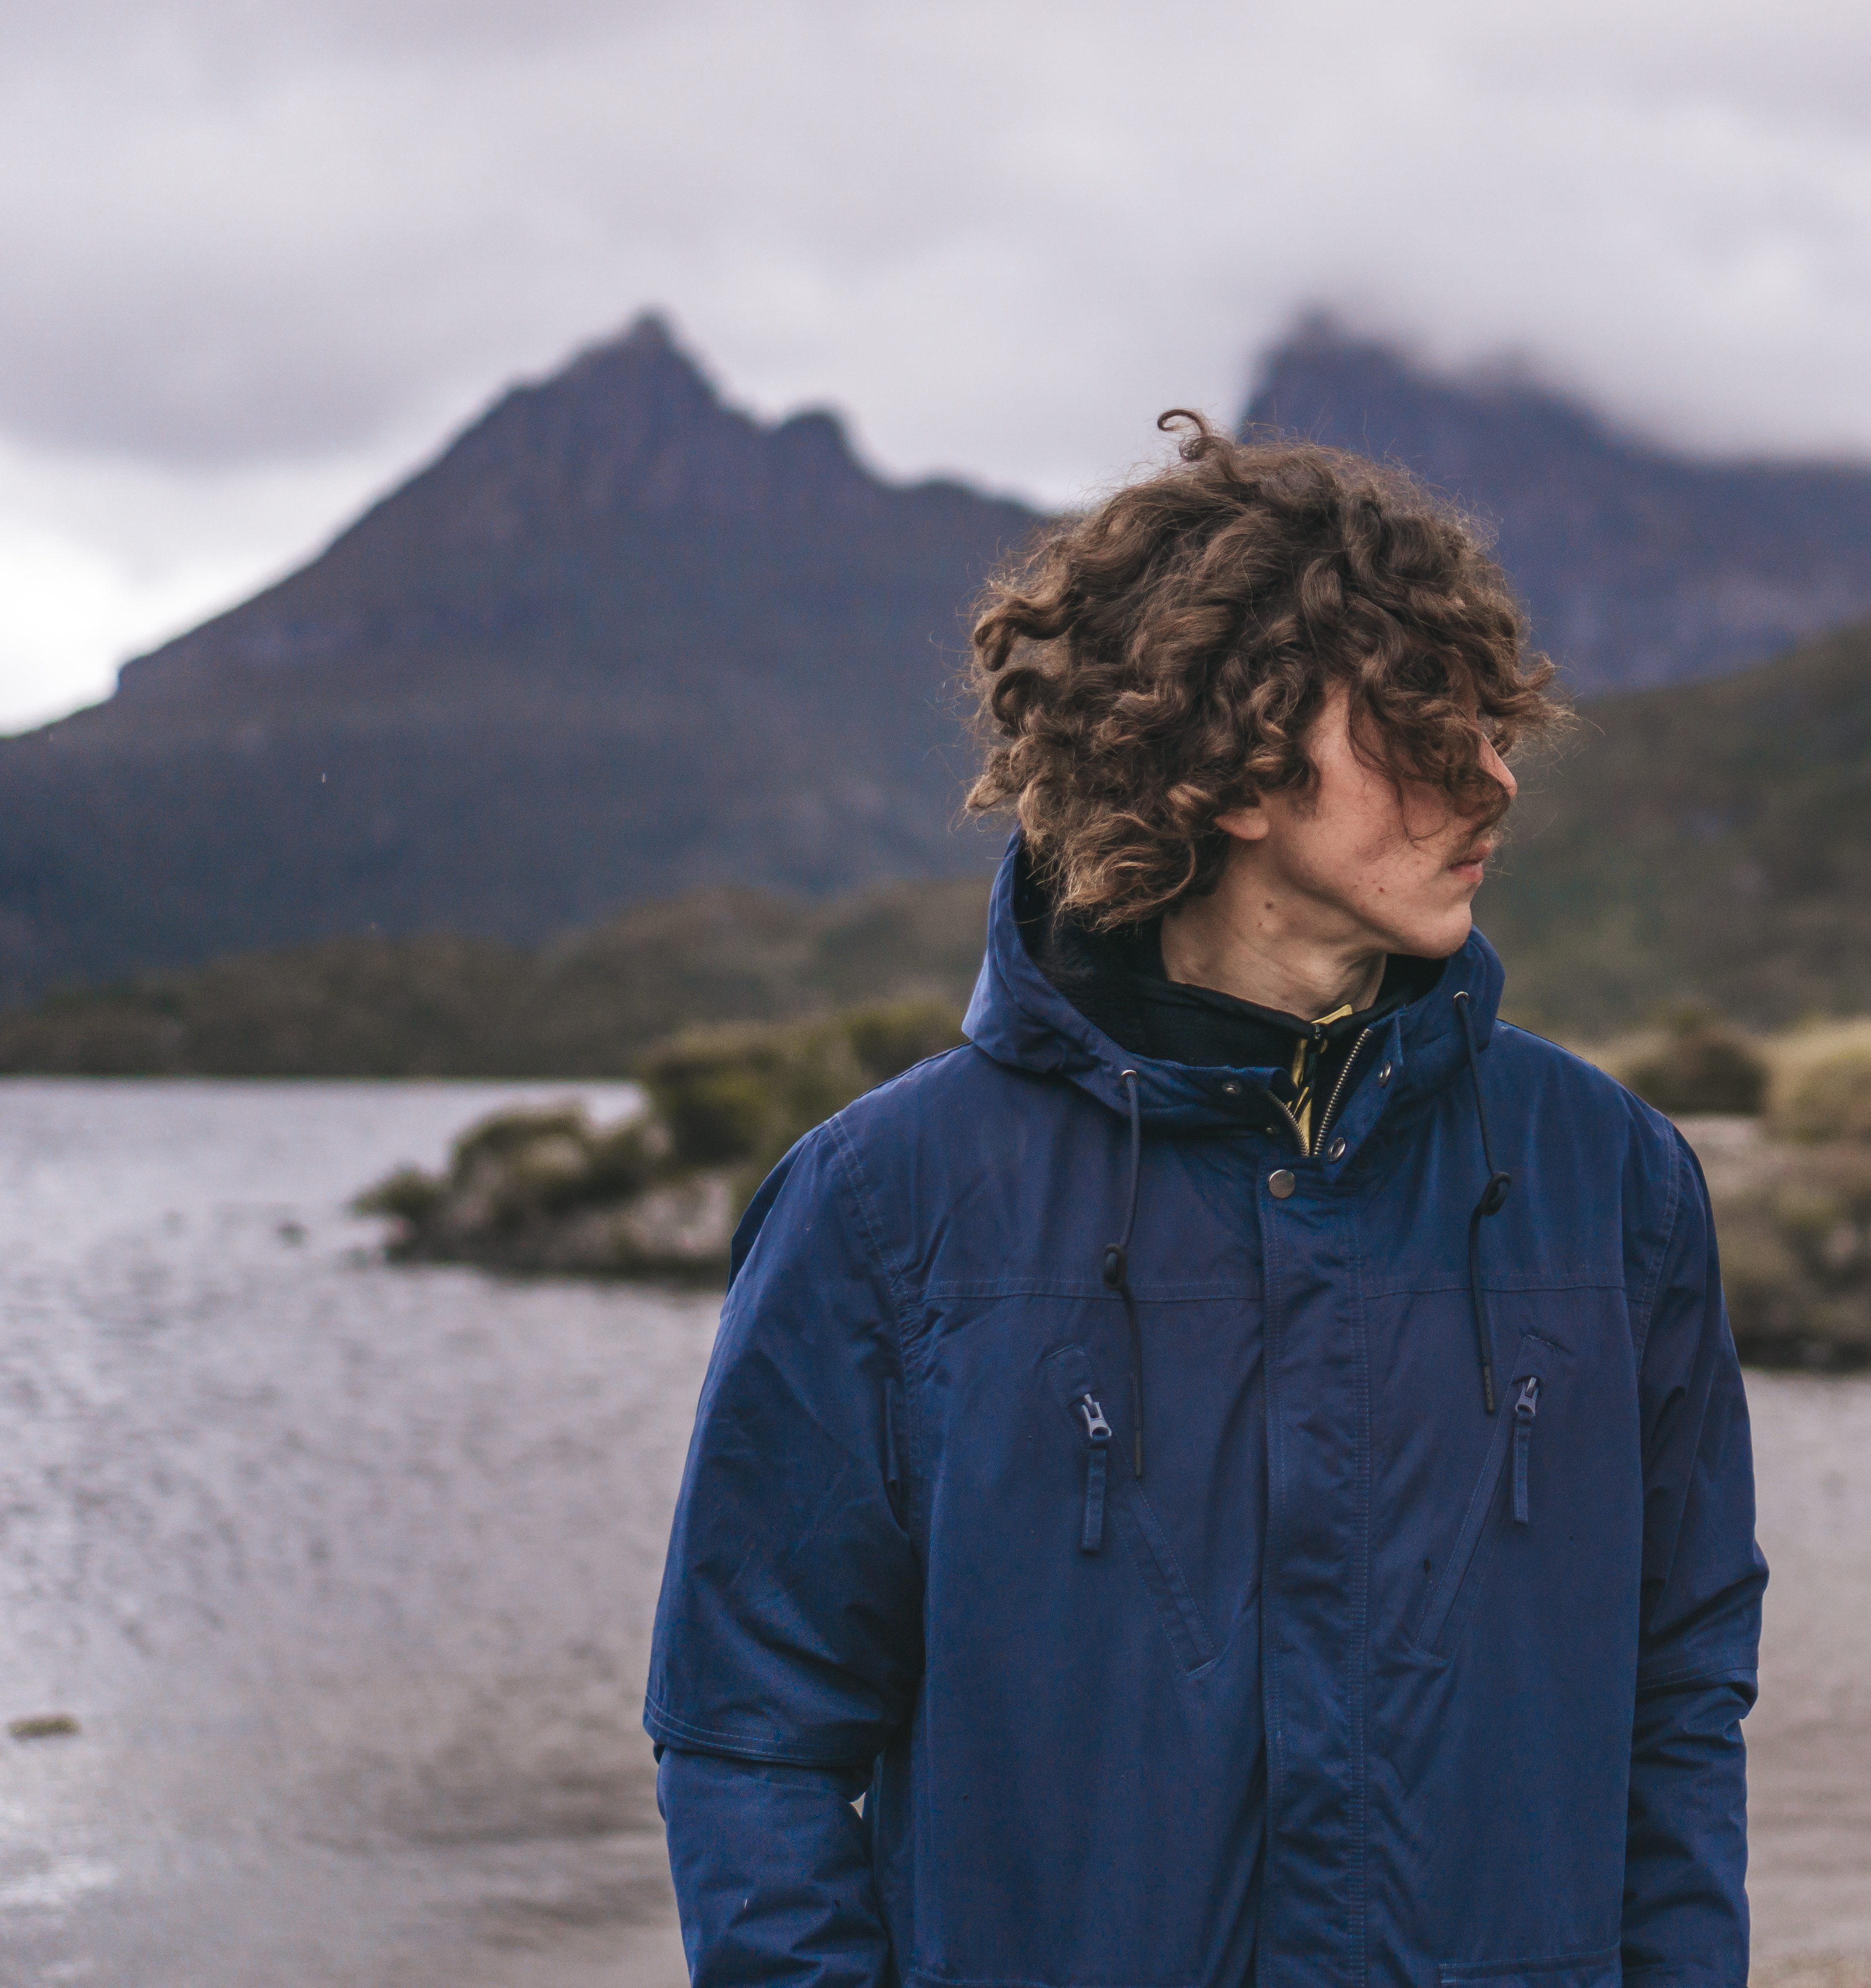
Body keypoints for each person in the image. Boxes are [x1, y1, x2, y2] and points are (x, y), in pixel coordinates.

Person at [644, 413, 1764, 1988]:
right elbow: (751, 1738)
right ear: (1229, 763)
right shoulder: (883, 1206)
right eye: (1421, 730)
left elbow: (1682, 1689)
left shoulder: (1614, 1181)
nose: (1496, 779)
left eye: (1492, 725)